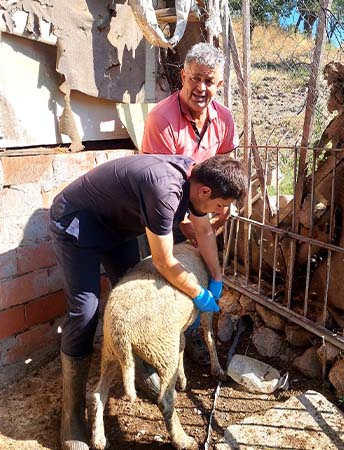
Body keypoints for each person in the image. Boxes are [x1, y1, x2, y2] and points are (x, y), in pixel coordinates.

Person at [51, 154, 247, 449]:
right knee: (86, 311)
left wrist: (217, 276)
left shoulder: (196, 179)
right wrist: (198, 293)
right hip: (76, 224)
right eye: (221, 206)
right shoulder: (165, 190)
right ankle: (72, 413)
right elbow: (164, 261)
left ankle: (139, 367)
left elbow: (204, 230)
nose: (221, 211)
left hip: (116, 228)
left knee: (132, 290)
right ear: (205, 192)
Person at [141, 42, 240, 366]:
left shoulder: (224, 118)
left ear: (219, 85)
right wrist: (187, 223)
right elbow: (158, 187)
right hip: (165, 209)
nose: (201, 88)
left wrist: (223, 205)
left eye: (209, 81)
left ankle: (194, 333)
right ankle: (157, 349)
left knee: (200, 274)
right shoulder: (161, 120)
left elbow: (226, 167)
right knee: (166, 280)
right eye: (195, 78)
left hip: (202, 209)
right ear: (183, 76)